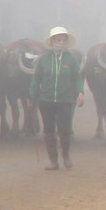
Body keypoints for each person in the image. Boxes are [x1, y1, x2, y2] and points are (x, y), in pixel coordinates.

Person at [29, 26, 85, 170]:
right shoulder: (44, 59)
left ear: (66, 42)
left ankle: (65, 155)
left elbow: (77, 78)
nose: (60, 43)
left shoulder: (71, 59)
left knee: (64, 129)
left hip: (65, 100)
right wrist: (32, 96)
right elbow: (36, 79)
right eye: (58, 40)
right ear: (52, 41)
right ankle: (53, 161)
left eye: (63, 40)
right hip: (46, 100)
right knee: (48, 130)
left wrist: (80, 92)